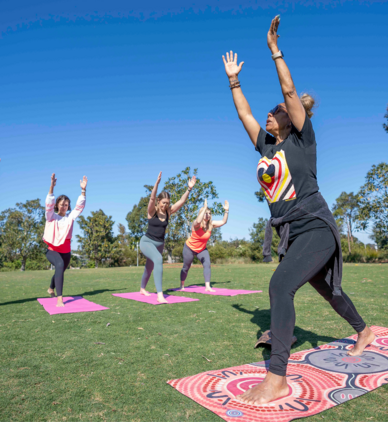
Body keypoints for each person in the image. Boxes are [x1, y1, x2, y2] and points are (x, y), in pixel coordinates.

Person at [222, 15, 375, 404]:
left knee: (279, 285)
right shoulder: (267, 147)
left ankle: (277, 377)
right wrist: (234, 81)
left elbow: (289, 90)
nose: (271, 113)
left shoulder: (303, 141)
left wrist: (275, 51)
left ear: (293, 117)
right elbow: (244, 115)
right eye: (270, 111)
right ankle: (364, 331)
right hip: (293, 233)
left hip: (316, 227)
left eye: (278, 110)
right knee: (327, 289)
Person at [139, 171, 196, 303]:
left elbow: (181, 202)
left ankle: (142, 288)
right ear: (159, 202)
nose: (165, 205)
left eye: (167, 203)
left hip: (160, 244)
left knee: (149, 267)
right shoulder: (152, 211)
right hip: (147, 242)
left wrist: (189, 189)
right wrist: (157, 183)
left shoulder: (169, 212)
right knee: (158, 259)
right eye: (163, 202)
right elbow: (152, 198)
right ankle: (160, 295)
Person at [42, 173, 87, 306]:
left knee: (60, 269)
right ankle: (60, 298)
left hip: (66, 251)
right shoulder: (51, 216)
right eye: (62, 204)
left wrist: (83, 190)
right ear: (57, 205)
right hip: (52, 250)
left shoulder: (70, 217)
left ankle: (51, 288)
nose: (64, 206)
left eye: (66, 205)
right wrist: (51, 186)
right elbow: (48, 203)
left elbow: (80, 207)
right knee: (59, 266)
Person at [178, 199, 229, 292]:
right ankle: (182, 285)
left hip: (201, 249)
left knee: (207, 264)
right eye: (205, 213)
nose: (207, 215)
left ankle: (208, 287)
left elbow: (223, 222)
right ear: (201, 213)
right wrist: (204, 207)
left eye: (209, 213)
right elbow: (198, 221)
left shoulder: (211, 224)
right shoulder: (196, 224)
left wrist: (226, 211)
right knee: (186, 267)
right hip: (189, 248)